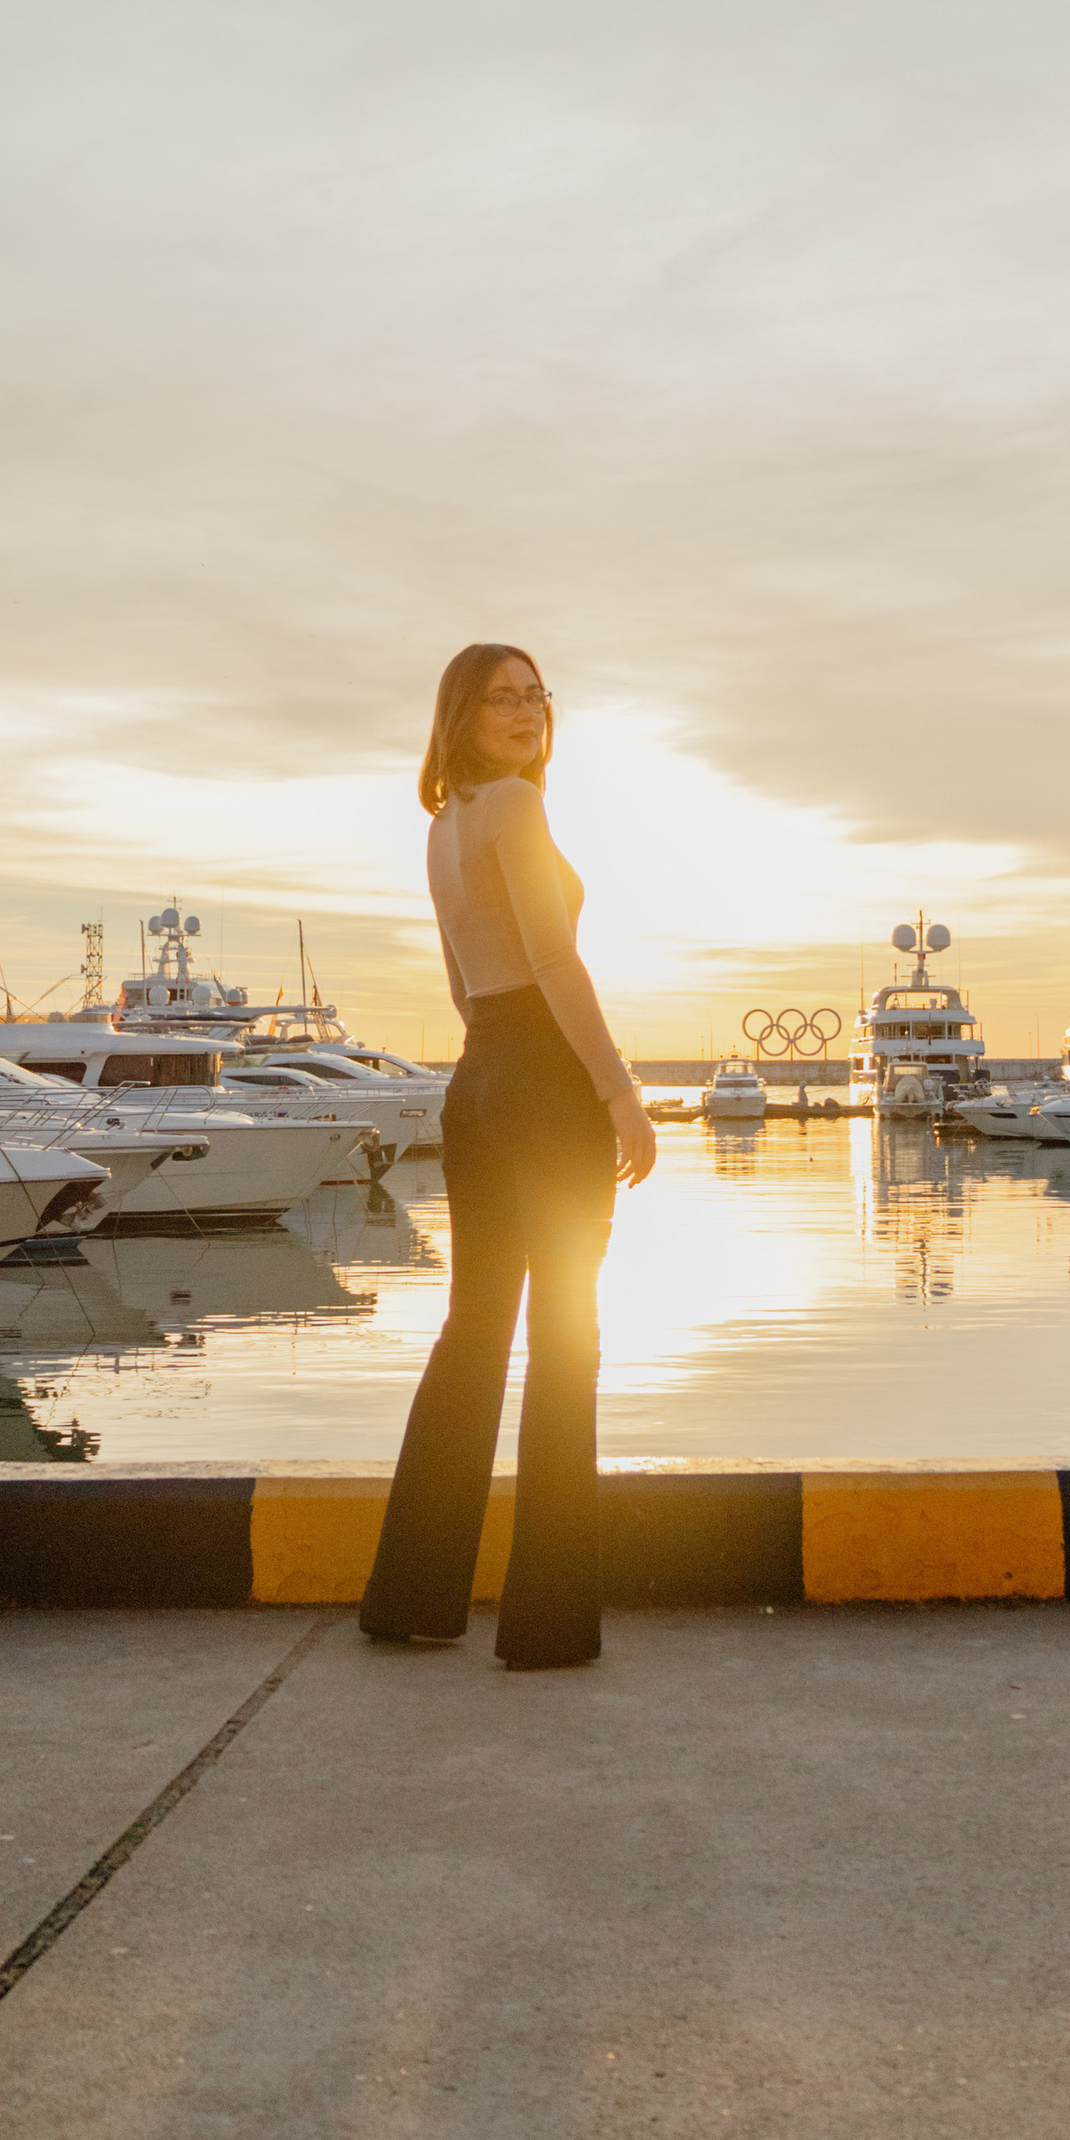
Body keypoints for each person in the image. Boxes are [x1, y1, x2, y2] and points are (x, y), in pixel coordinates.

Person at [359, 642, 659, 1669]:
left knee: (475, 1329)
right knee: (565, 1336)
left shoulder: (446, 827)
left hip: (478, 1077)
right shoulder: (518, 812)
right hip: (540, 1080)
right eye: (504, 698)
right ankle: (546, 1624)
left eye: (537, 694)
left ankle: (410, 1596)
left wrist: (497, 1063)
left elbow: (459, 975)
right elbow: (551, 955)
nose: (528, 711)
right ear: (463, 714)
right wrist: (618, 1090)